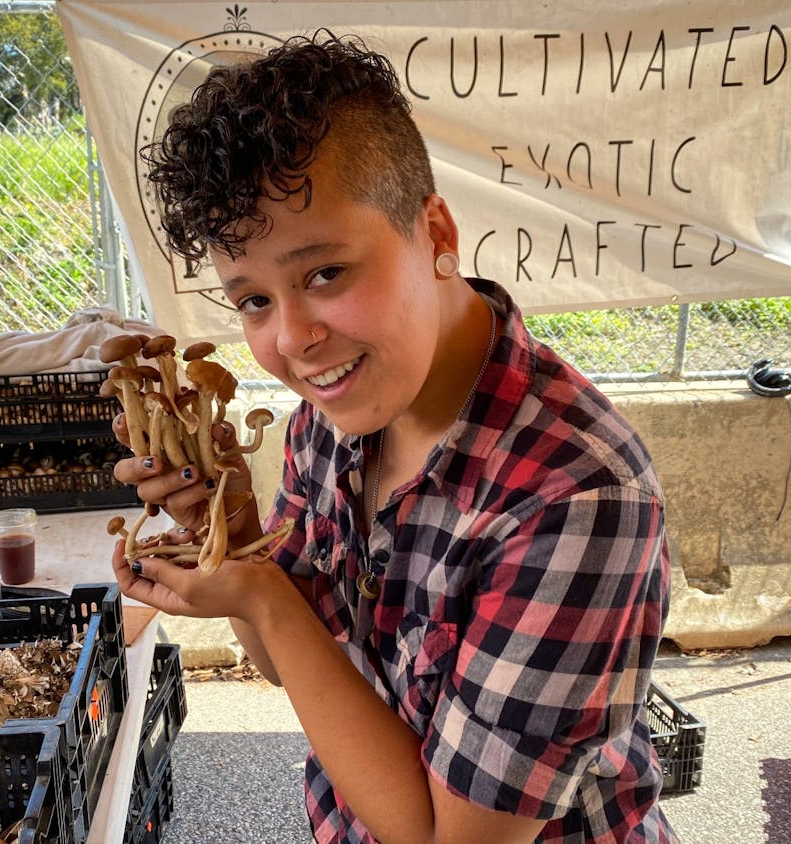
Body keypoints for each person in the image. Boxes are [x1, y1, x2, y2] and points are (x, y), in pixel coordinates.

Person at [109, 31, 676, 844]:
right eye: (254, 301)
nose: (294, 340)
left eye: (324, 273)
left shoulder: (577, 499)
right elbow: (291, 658)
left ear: (437, 235)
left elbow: (448, 839)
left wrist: (263, 595)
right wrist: (233, 541)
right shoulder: (335, 416)